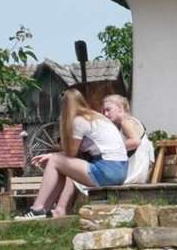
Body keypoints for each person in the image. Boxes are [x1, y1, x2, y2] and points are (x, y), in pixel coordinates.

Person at [23, 87, 130, 218]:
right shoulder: (96, 117)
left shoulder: (79, 121)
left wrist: (52, 155)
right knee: (59, 164)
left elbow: (71, 154)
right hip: (121, 171)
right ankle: (45, 209)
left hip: (107, 170)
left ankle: (37, 208)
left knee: (55, 161)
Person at [103, 91, 154, 185]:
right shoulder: (132, 120)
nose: (105, 114)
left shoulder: (126, 122)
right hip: (140, 172)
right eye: (104, 111)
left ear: (120, 108)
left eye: (108, 110)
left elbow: (135, 142)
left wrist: (112, 148)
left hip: (133, 173)